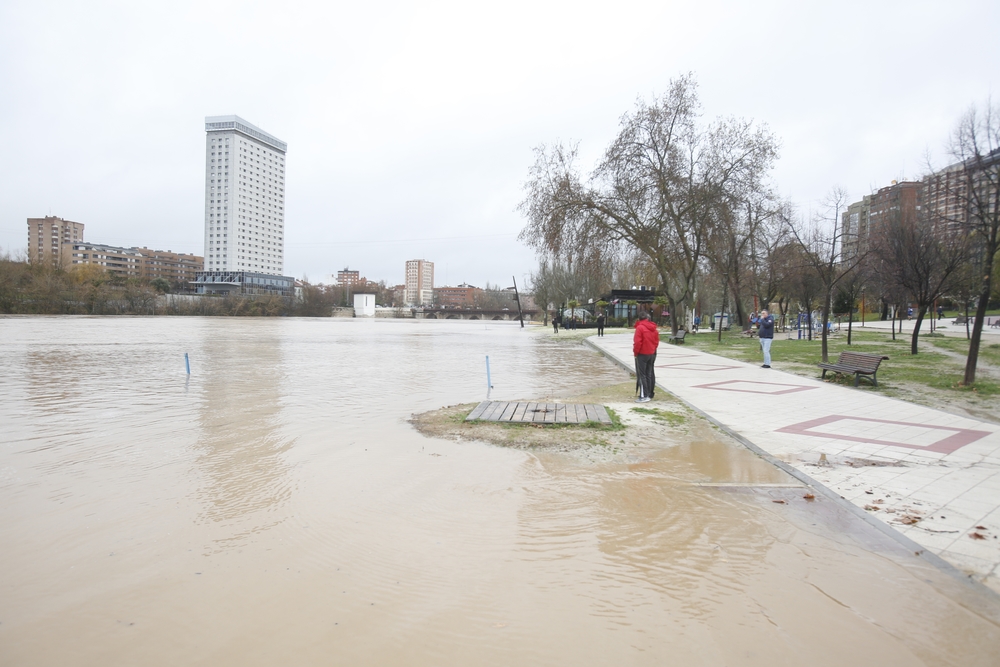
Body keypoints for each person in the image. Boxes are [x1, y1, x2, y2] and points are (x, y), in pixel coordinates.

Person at [633, 311, 659, 403]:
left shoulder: (640, 328)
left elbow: (637, 342)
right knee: (649, 374)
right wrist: (653, 350)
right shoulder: (654, 328)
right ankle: (648, 393)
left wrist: (636, 353)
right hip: (651, 353)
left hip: (642, 353)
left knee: (642, 375)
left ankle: (643, 395)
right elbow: (656, 342)